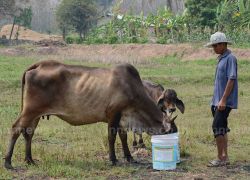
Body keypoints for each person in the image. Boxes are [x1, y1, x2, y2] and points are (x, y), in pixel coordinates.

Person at [205, 32, 238, 167]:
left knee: (217, 127)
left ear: (223, 44)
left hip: (224, 102)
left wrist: (223, 100)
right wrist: (216, 101)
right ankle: (225, 157)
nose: (214, 49)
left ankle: (220, 158)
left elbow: (231, 79)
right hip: (217, 101)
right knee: (222, 128)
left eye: (215, 46)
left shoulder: (230, 58)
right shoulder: (221, 58)